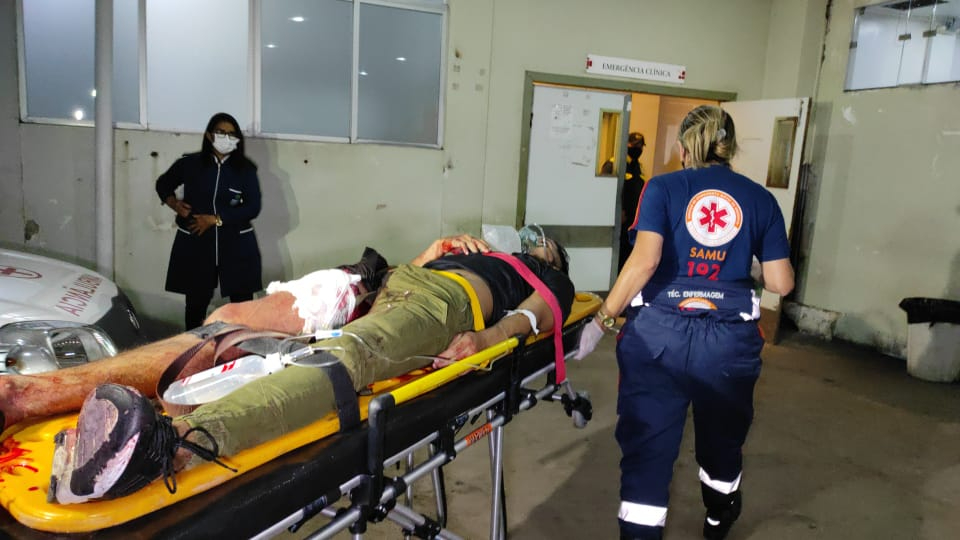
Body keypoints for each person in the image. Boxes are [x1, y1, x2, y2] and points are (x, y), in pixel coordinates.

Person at [27, 231, 574, 504]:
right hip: (391, 285)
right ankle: (97, 408)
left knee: (349, 357)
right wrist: (433, 251)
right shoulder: (481, 252)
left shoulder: (542, 276)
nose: (533, 246)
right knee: (233, 327)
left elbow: (542, 313)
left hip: (439, 308)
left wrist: (486, 338)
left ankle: (175, 445)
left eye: (543, 247)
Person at [575, 106, 794, 540]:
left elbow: (645, 262)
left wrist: (601, 319)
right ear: (730, 148)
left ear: (682, 149)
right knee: (722, 440)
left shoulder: (662, 188)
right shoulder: (761, 199)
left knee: (649, 449)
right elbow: (780, 282)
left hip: (659, 336)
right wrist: (741, 266)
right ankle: (719, 515)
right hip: (729, 342)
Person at [157, 112, 263, 330]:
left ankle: (240, 347)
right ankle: (194, 346)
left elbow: (253, 207)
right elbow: (163, 184)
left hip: (236, 245)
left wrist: (216, 219)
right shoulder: (189, 164)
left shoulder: (245, 170)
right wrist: (174, 203)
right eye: (221, 132)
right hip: (197, 242)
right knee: (195, 306)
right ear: (208, 135)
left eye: (232, 134)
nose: (227, 138)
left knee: (242, 308)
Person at [618, 132, 646, 271]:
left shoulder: (639, 167)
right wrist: (617, 213)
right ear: (627, 144)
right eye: (634, 145)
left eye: (640, 146)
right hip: (620, 222)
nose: (638, 149)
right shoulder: (616, 164)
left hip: (633, 222)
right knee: (619, 258)